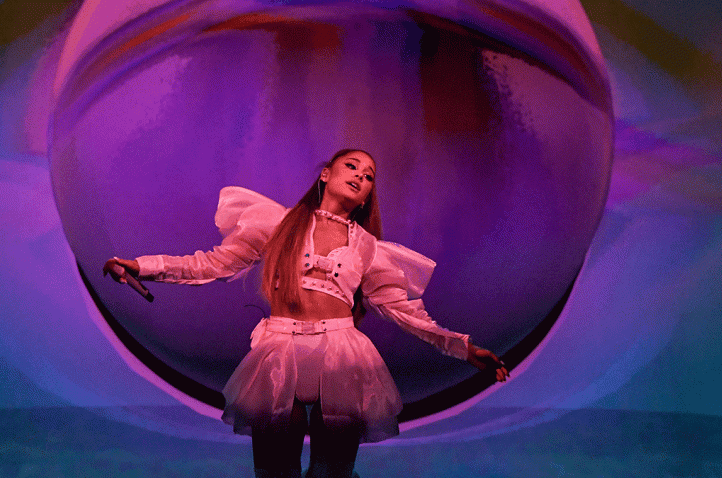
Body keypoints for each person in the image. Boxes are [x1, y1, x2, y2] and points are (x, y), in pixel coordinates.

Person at [104, 149, 509, 478]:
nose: (360, 176)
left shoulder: (369, 248)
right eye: (352, 166)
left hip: (343, 353)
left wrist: (464, 348)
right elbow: (211, 264)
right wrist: (143, 266)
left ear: (366, 197)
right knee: (274, 470)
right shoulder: (277, 223)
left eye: (369, 176)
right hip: (280, 350)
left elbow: (406, 313)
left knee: (333, 472)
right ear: (325, 175)